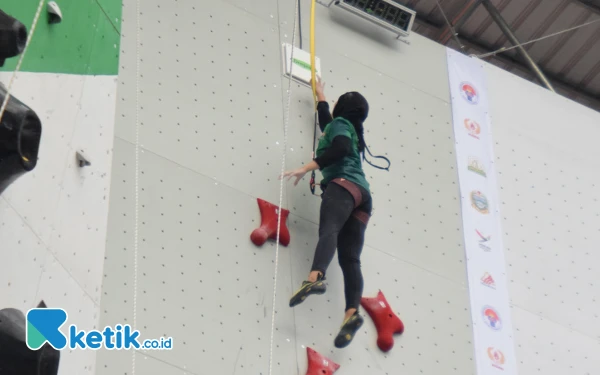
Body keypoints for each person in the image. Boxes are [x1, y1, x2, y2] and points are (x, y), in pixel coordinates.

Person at [281, 78, 373, 349]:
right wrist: (319, 94)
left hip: (342, 185)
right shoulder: (349, 130)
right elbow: (326, 123)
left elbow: (339, 148)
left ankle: (315, 278)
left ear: (342, 108)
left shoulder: (342, 128)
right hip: (363, 197)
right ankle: (351, 313)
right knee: (350, 259)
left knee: (329, 229)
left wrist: (306, 167)